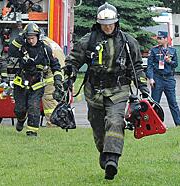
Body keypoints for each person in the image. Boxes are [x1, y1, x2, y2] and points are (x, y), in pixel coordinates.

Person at [64, 2, 149, 180]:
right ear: (99, 24)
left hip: (118, 90)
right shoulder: (89, 40)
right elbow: (73, 60)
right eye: (104, 24)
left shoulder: (128, 42)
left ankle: (112, 159)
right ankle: (104, 152)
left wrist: (143, 87)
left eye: (110, 23)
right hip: (94, 92)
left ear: (116, 22)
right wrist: (70, 73)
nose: (108, 27)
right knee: (98, 129)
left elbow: (137, 67)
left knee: (115, 121)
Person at [8, 23, 63, 136]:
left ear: (38, 37)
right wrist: (21, 38)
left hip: (37, 84)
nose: (31, 40)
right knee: (20, 109)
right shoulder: (21, 48)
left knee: (34, 107)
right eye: (28, 38)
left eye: (33, 38)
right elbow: (11, 51)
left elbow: (55, 65)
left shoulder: (45, 49)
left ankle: (32, 133)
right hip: (21, 83)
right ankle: (21, 119)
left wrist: (57, 80)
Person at [146, 31, 180, 127]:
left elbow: (176, 64)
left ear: (166, 39)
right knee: (154, 103)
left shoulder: (173, 50)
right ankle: (152, 125)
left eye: (160, 38)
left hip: (169, 79)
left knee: (173, 103)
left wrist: (170, 61)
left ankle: (179, 125)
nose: (158, 40)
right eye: (158, 38)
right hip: (157, 78)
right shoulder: (154, 50)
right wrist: (151, 78)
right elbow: (149, 66)